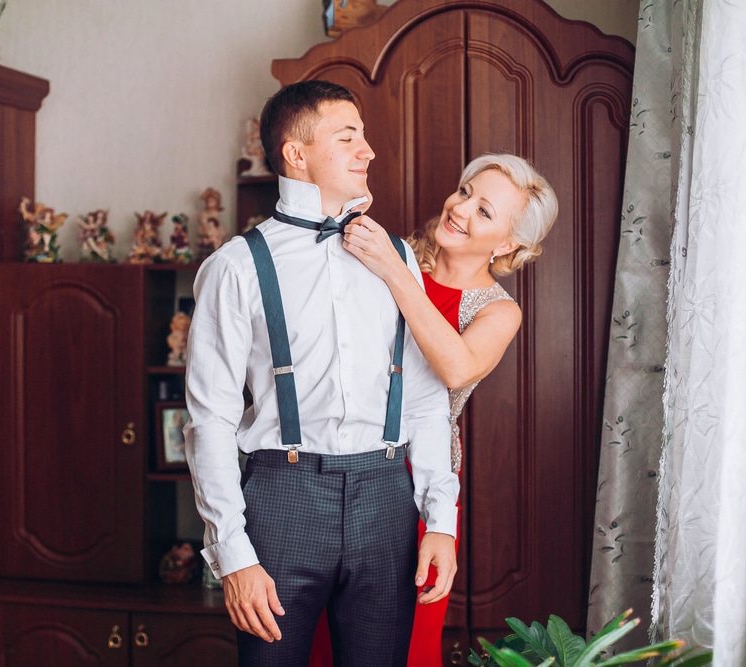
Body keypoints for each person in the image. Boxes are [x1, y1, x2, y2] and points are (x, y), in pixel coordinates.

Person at [183, 80, 459, 667]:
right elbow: (209, 420)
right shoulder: (234, 266)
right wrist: (233, 555)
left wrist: (441, 519)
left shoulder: (398, 257)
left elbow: (427, 400)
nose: (368, 151)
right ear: (296, 154)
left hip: (387, 497)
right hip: (281, 503)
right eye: (348, 136)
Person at [310, 153, 559, 666]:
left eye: (485, 212)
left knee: (403, 648)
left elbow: (456, 369)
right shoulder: (389, 253)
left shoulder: (497, 310)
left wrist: (395, 273)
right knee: (320, 643)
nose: (460, 209)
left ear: (509, 243)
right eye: (465, 192)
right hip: (332, 467)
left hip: (422, 486)